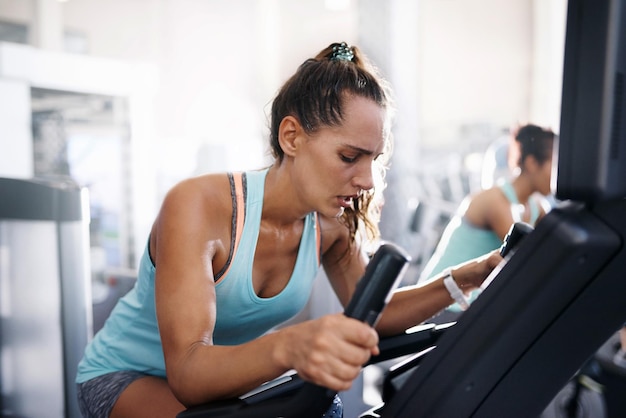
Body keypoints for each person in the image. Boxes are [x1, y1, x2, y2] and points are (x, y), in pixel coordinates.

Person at [75, 41, 502, 418]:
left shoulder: (332, 226)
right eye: (350, 156)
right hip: (127, 375)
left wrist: (469, 276)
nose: (368, 179)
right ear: (292, 137)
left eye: (373, 158)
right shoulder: (199, 206)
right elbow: (188, 371)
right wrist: (292, 346)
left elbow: (380, 316)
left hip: (221, 384)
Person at [418, 123, 556, 315]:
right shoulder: (495, 201)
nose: (559, 174)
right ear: (532, 163)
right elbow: (525, 260)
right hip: (441, 306)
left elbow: (553, 249)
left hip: (472, 303)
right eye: (555, 165)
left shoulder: (536, 206)